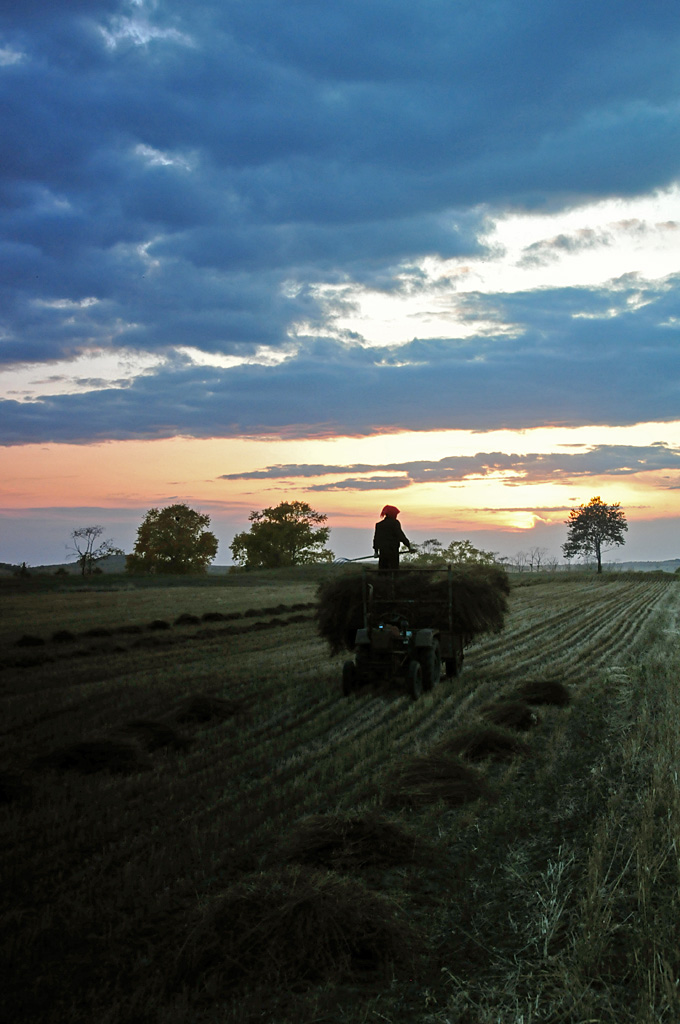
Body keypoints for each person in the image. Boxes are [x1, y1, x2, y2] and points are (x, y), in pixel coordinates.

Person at [373, 505, 412, 570]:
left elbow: (376, 539)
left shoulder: (379, 525)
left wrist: (376, 551)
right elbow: (401, 536)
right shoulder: (395, 523)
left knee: (383, 571)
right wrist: (409, 546)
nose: (396, 516)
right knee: (394, 570)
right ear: (392, 514)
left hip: (383, 552)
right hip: (393, 551)